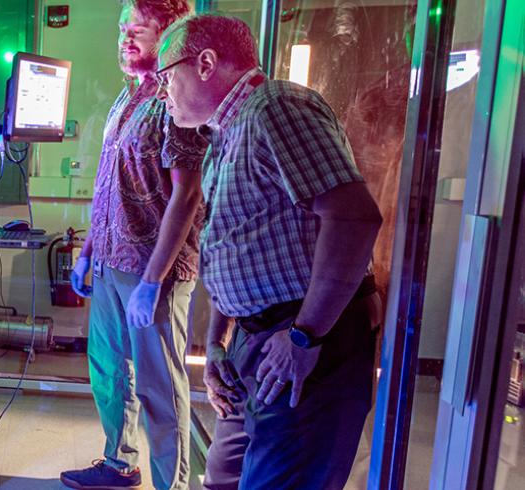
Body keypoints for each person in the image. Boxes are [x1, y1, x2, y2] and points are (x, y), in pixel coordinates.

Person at [154, 14, 384, 489]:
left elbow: (354, 217)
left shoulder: (275, 108)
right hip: (257, 339)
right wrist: (217, 345)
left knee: (281, 479)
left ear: (206, 63)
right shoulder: (226, 134)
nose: (161, 91)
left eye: (165, 75)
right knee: (225, 476)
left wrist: (304, 337)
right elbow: (233, 246)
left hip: (304, 336)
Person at [59, 1, 207, 489]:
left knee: (160, 389)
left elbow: (187, 195)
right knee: (110, 374)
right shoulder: (128, 99)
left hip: (152, 273)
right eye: (122, 29)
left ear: (166, 34)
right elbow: (108, 183)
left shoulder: (176, 99)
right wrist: (86, 253)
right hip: (109, 262)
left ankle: (174, 485)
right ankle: (119, 462)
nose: (125, 38)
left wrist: (152, 281)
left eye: (137, 30)